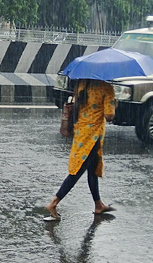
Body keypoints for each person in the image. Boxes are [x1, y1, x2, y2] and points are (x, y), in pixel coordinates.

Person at [46, 78, 116, 219]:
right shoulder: (106, 87)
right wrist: (114, 103)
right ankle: (54, 202)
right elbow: (109, 116)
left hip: (80, 132)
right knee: (77, 171)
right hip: (93, 136)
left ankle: (98, 204)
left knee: (93, 169)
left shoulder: (82, 84)